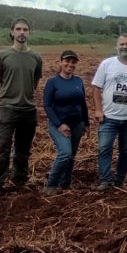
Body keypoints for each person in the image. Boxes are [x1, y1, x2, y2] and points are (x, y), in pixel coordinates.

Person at [0, 18, 43, 202]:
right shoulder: (1, 56)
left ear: (29, 33)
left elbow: (35, 82)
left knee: (23, 149)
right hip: (8, 108)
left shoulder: (36, 57)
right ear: (12, 32)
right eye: (18, 29)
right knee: (2, 147)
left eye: (25, 29)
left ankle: (19, 181)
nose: (22, 32)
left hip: (28, 109)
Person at [91, 34, 127, 190]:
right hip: (108, 118)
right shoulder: (107, 64)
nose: (125, 47)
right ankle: (105, 180)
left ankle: (119, 180)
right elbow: (96, 88)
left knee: (125, 150)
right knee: (104, 149)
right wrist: (98, 109)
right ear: (117, 46)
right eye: (122, 44)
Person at [42, 50, 89, 194]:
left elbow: (83, 104)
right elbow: (47, 105)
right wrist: (59, 125)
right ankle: (51, 184)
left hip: (77, 124)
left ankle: (65, 184)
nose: (70, 64)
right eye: (67, 61)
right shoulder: (53, 82)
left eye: (73, 62)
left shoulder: (78, 81)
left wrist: (86, 123)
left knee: (72, 155)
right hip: (59, 124)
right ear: (61, 62)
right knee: (65, 153)